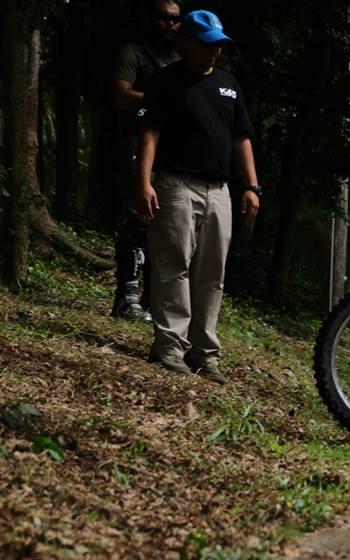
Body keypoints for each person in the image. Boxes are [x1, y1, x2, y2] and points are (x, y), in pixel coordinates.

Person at [136, 10, 261, 383]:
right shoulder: (166, 82)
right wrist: (144, 182)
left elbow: (241, 137)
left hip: (219, 190)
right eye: (207, 45)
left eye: (219, 45)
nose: (214, 52)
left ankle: (204, 352)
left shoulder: (228, 85)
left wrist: (252, 186)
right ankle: (169, 346)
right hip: (176, 186)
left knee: (212, 272)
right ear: (187, 42)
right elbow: (150, 134)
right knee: (174, 265)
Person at [110, 0, 182, 320]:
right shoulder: (133, 53)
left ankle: (153, 298)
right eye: (165, 18)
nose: (171, 24)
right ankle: (127, 296)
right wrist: (160, 101)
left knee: (164, 223)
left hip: (170, 149)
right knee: (139, 216)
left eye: (176, 19)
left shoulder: (180, 58)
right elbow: (120, 95)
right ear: (152, 18)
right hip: (135, 142)